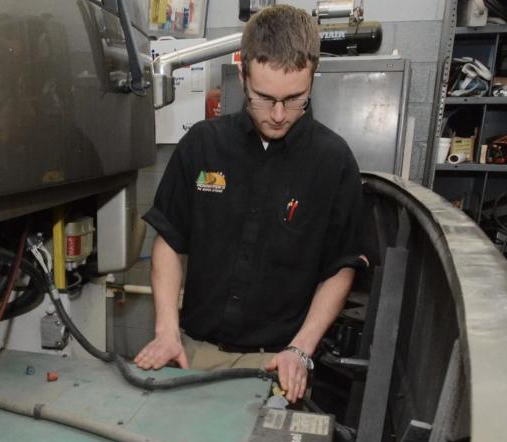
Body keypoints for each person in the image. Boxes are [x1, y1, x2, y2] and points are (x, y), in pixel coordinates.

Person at [134, 6, 367, 404]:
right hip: (193, 353)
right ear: (243, 77)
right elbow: (170, 240)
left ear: (312, 78)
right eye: (264, 98)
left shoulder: (333, 161)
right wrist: (167, 330)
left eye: (295, 99)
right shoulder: (202, 146)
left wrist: (301, 348)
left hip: (278, 364)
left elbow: (341, 265)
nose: (278, 115)